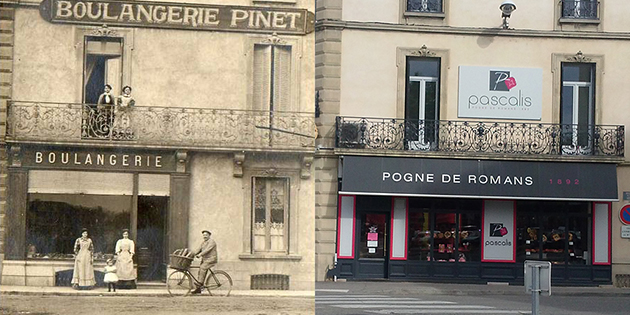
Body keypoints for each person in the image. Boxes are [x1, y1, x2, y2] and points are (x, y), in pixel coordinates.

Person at [191, 230, 217, 294]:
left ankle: (200, 283)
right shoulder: (203, 242)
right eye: (203, 235)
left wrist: (200, 255)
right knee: (200, 271)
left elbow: (207, 250)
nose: (204, 236)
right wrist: (192, 254)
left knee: (202, 267)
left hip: (211, 259)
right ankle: (198, 289)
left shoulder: (212, 242)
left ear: (209, 235)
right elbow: (198, 249)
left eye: (206, 235)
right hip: (205, 259)